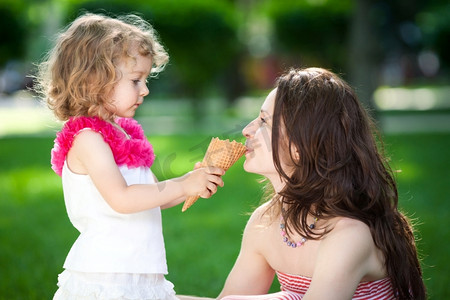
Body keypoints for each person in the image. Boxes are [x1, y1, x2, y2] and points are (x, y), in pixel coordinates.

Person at [36, 13, 224, 299]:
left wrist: (191, 185)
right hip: (108, 275)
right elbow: (123, 199)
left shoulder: (121, 135)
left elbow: (148, 197)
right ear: (94, 80)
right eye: (136, 80)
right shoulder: (88, 139)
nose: (145, 90)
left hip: (138, 271)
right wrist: (184, 185)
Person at [216, 68, 427, 299]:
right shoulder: (265, 221)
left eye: (264, 121)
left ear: (299, 146)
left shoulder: (349, 234)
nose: (247, 130)